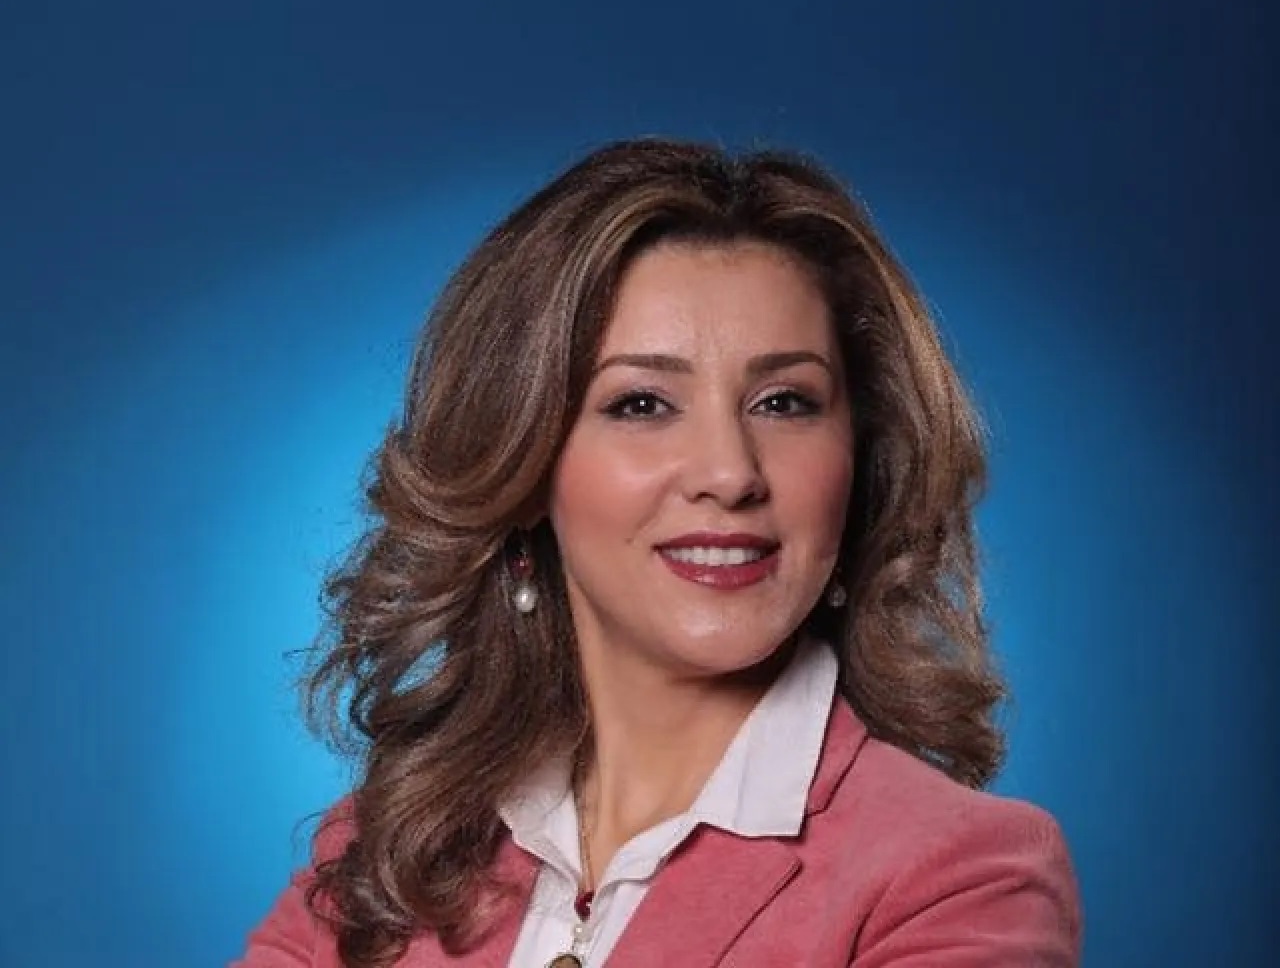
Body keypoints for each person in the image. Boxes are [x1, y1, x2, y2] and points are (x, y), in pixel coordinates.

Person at [232, 139, 1082, 967]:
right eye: (642, 404)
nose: (729, 472)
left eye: (784, 402)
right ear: (523, 467)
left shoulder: (962, 880)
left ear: (860, 460)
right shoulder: (389, 852)